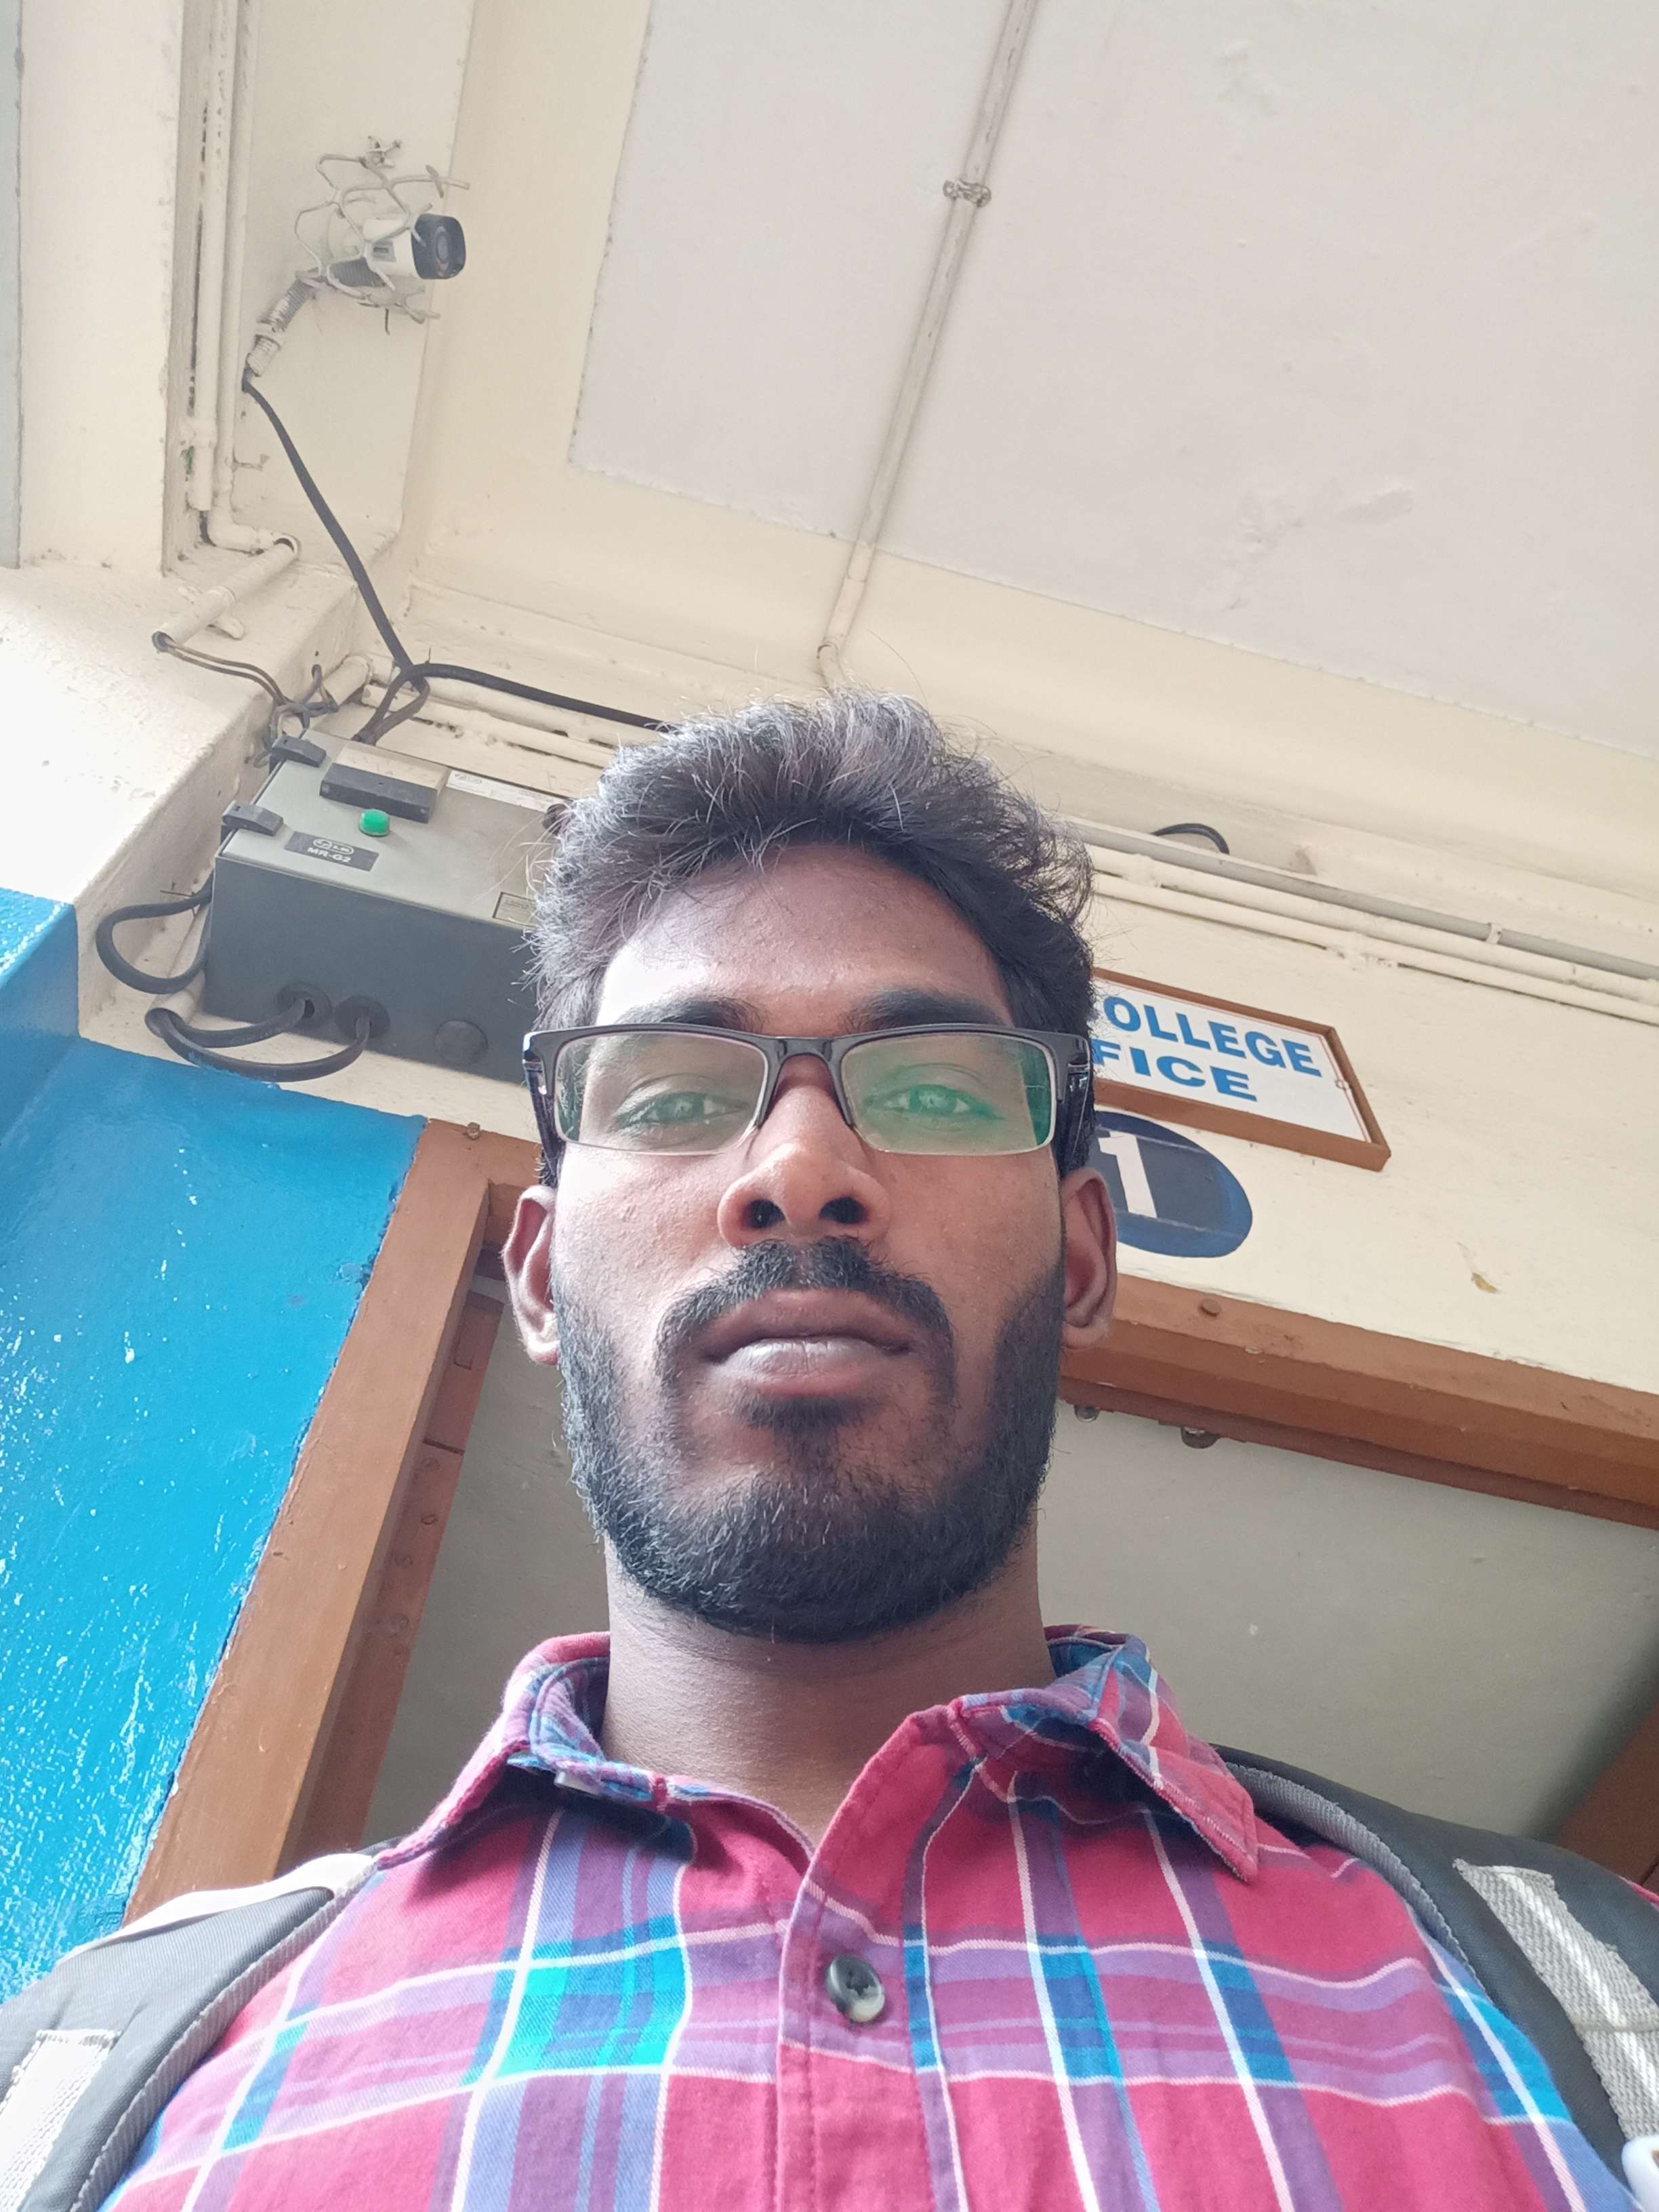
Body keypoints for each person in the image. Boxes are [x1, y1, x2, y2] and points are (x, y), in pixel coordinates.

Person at [80, 698, 1645, 2205]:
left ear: (1081, 1255)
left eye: (937, 1088)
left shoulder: (1610, 2007)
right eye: (675, 1092)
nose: (801, 1167)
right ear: (542, 1278)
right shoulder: (95, 2075)